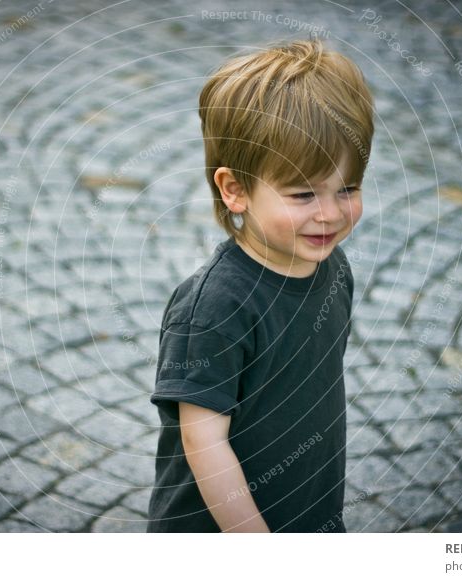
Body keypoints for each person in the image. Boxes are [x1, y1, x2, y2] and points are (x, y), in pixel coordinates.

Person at [146, 37, 375, 533]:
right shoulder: (214, 307)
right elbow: (204, 442)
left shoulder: (334, 270)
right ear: (235, 190)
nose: (330, 214)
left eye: (348, 189)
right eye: (302, 194)